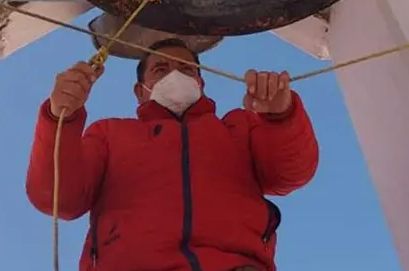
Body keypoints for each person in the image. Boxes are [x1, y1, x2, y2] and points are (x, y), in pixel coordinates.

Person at [25, 38, 320, 271]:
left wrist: (280, 115)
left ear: (201, 83)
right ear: (140, 91)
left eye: (186, 69)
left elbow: (290, 173)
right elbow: (58, 197)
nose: (175, 75)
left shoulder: (238, 127)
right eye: (160, 69)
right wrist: (59, 116)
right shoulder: (109, 134)